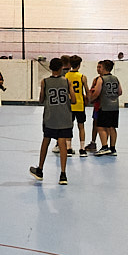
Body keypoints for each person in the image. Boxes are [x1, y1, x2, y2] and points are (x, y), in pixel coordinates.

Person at [29, 56, 72, 185]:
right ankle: (63, 175)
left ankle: (40, 170)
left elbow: (41, 99)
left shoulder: (45, 82)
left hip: (50, 117)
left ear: (50, 68)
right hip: (64, 117)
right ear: (61, 68)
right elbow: (74, 100)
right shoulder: (67, 81)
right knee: (62, 144)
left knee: (45, 141)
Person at [88, 59, 121, 155]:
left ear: (104, 68)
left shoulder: (101, 79)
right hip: (115, 106)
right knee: (112, 127)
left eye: (100, 67)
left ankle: (104, 146)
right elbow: (120, 92)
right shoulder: (115, 78)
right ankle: (113, 148)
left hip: (105, 106)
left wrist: (91, 99)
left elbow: (97, 92)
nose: (98, 69)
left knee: (101, 127)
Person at [65, 55, 89, 152]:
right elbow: (87, 91)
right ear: (79, 65)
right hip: (79, 104)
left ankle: (68, 148)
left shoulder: (66, 76)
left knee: (69, 126)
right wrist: (88, 99)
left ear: (70, 64)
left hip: (69, 105)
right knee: (81, 126)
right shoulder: (82, 77)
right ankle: (82, 148)